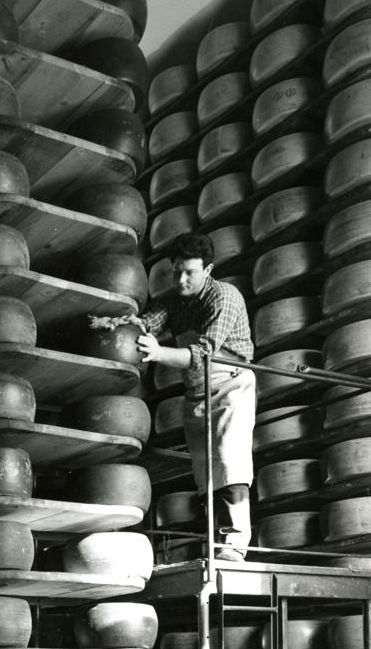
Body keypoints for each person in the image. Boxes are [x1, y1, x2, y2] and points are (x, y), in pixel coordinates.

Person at [91, 232, 257, 561]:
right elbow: (148, 322)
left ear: (207, 269)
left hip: (230, 385)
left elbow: (206, 354)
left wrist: (157, 352)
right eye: (176, 271)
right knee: (205, 476)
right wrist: (118, 323)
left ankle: (234, 547)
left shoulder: (224, 297)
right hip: (197, 390)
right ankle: (216, 545)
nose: (181, 279)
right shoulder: (176, 299)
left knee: (229, 465)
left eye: (189, 272)